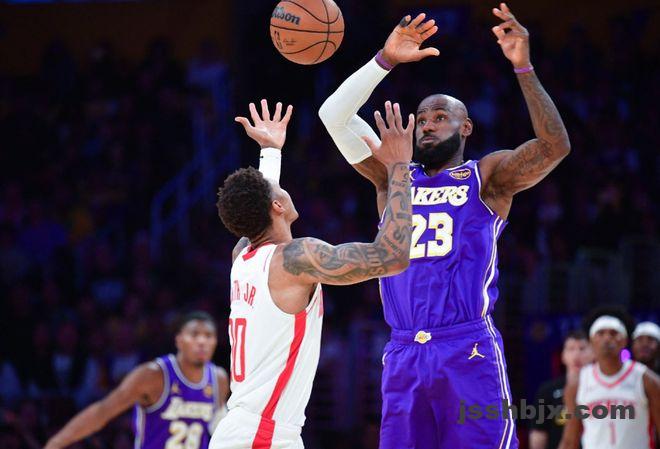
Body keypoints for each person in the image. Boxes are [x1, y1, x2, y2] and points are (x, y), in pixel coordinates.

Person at [319, 4, 570, 449]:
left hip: (466, 346)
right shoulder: (393, 176)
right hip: (403, 350)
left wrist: (524, 67)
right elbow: (333, 115)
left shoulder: (486, 177)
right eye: (422, 119)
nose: (427, 125)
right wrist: (385, 60)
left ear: (466, 127)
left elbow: (554, 146)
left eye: (440, 117)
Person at [210, 99, 413, 449]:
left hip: (252, 430)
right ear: (277, 205)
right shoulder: (294, 258)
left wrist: (270, 152)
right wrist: (398, 168)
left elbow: (257, 206)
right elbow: (392, 257)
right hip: (261, 437)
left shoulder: (242, 257)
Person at [44, 311, 228, 449]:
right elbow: (102, 412)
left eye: (208, 336)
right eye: (194, 335)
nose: (202, 342)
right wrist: (55, 443)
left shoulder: (219, 379)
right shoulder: (153, 375)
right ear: (179, 340)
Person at [558, 309, 660, 449]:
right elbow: (570, 440)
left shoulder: (646, 379)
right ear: (591, 342)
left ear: (624, 341)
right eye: (600, 333)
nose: (607, 338)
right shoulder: (578, 383)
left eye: (613, 333)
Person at [529, 331, 593, 449]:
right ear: (563, 355)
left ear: (593, 353)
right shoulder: (548, 390)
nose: (576, 355)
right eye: (571, 349)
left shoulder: (601, 388)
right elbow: (538, 436)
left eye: (582, 348)